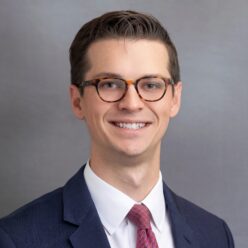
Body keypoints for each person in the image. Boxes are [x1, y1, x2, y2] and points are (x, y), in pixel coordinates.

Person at [0, 10, 234, 248]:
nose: (132, 104)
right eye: (110, 84)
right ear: (77, 101)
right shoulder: (17, 239)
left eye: (151, 85)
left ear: (175, 98)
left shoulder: (215, 235)